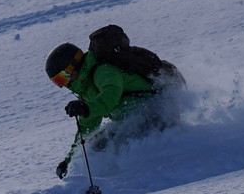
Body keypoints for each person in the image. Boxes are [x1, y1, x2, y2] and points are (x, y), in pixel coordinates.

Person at [46, 24, 180, 179]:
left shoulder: (103, 71)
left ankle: (146, 174)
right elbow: (86, 128)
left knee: (119, 142)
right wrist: (68, 160)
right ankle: (109, 178)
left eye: (62, 78)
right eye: (58, 82)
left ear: (72, 67)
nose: (64, 85)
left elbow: (108, 99)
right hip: (135, 118)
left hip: (158, 109)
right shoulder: (86, 89)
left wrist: (86, 108)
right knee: (96, 144)